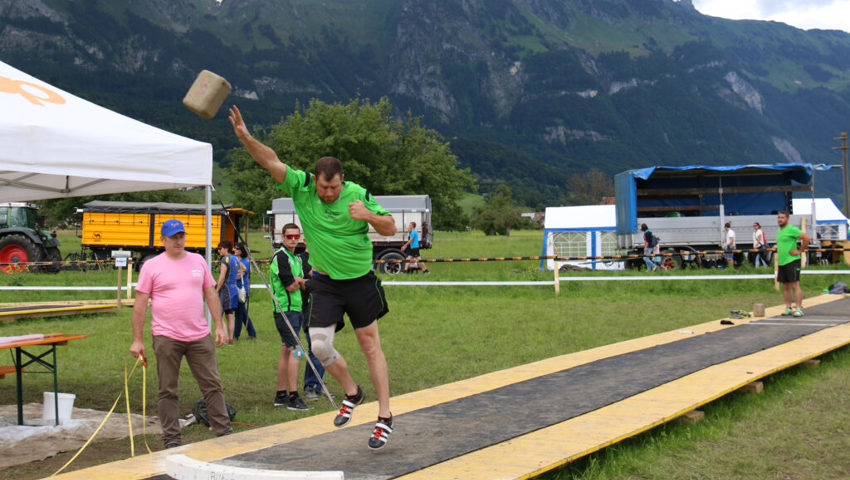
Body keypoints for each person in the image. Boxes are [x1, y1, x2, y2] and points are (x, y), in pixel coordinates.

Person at [229, 104, 397, 450]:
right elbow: (270, 161)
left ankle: (384, 417)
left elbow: (390, 226)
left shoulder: (358, 194)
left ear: (342, 181)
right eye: (324, 188)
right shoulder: (302, 187)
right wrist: (246, 137)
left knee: (370, 346)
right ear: (316, 181)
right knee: (318, 345)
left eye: (334, 188)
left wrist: (368, 215)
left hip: (360, 280)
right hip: (325, 281)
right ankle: (352, 392)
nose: (329, 194)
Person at [129, 219, 232, 448]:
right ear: (163, 240)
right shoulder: (152, 266)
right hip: (166, 336)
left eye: (181, 236)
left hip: (199, 335)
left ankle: (224, 433)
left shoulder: (198, 261)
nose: (178, 241)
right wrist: (137, 340)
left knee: (212, 385)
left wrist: (219, 324)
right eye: (173, 237)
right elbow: (140, 304)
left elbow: (211, 293)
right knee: (167, 389)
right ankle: (172, 440)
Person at [270, 223, 310, 411]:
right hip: (285, 310)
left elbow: (300, 283)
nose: (293, 240)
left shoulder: (296, 258)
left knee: (286, 349)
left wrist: (299, 281)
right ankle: (294, 396)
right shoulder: (281, 257)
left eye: (296, 236)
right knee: (297, 350)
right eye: (289, 236)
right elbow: (291, 285)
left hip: (296, 308)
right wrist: (300, 281)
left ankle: (281, 394)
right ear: (282, 237)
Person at [298, 244, 329, 401]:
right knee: (314, 348)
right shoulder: (303, 259)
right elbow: (315, 276)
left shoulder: (320, 257)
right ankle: (310, 385)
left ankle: (319, 383)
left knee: (324, 347)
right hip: (307, 309)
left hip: (322, 306)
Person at [776, 211, 811, 317]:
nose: (780, 219)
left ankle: (799, 308)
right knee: (785, 286)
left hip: (792, 261)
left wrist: (800, 250)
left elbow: (806, 238)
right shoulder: (779, 230)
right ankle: (788, 307)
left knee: (795, 284)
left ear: (787, 219)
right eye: (779, 217)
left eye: (782, 217)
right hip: (782, 261)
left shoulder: (791, 229)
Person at [215, 240, 243, 345]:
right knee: (230, 315)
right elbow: (243, 269)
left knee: (219, 314)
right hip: (234, 288)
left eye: (220, 248)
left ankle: (224, 337)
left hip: (225, 289)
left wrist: (216, 290)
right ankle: (230, 339)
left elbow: (222, 277)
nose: (218, 251)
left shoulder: (225, 259)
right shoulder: (235, 258)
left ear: (226, 249)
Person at [233, 242, 257, 341]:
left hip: (242, 291)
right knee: (243, 313)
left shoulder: (245, 262)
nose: (235, 249)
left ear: (242, 251)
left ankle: (235, 335)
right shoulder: (235, 260)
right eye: (234, 248)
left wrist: (229, 277)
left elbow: (239, 276)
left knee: (239, 314)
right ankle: (252, 333)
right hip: (235, 289)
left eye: (237, 248)